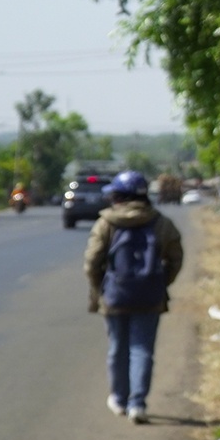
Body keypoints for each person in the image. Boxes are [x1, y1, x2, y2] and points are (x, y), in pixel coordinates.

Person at [83, 170, 184, 424]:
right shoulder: (161, 222)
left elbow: (92, 263)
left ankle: (119, 399)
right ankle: (138, 404)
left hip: (115, 296)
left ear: (117, 196)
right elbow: (175, 259)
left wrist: (100, 289)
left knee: (118, 349)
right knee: (142, 350)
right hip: (150, 296)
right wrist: (160, 283)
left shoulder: (106, 223)